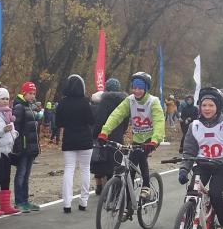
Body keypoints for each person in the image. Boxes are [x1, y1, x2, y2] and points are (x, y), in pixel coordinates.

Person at [178, 87, 223, 229]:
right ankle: (188, 228)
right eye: (204, 105)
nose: (207, 109)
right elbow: (189, 151)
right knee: (192, 192)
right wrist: (184, 169)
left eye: (211, 105)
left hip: (222, 167)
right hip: (202, 164)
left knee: (215, 194)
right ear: (199, 107)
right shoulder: (194, 126)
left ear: (218, 107)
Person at [97, 72, 164, 200]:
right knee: (131, 167)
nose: (136, 91)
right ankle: (128, 203)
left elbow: (159, 122)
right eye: (134, 88)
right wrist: (104, 132)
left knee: (140, 154)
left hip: (152, 138)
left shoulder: (153, 102)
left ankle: (146, 186)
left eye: (140, 88)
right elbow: (116, 115)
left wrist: (155, 141)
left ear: (146, 88)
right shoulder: (130, 100)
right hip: (138, 137)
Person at [57, 75, 95, 213]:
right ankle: (83, 202)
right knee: (85, 169)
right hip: (85, 139)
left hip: (69, 139)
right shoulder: (85, 102)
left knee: (69, 169)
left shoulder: (62, 103)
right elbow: (91, 120)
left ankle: (67, 203)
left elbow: (58, 123)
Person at [91, 78, 128, 196]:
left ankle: (101, 188)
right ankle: (114, 188)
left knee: (101, 161)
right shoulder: (124, 101)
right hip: (118, 136)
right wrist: (122, 131)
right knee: (116, 163)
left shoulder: (105, 100)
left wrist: (95, 133)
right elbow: (126, 120)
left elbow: (100, 119)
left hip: (104, 134)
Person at [11, 82, 42, 212]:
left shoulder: (30, 106)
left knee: (27, 175)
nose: (32, 96)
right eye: (30, 93)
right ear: (24, 93)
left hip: (31, 146)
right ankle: (19, 201)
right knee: (21, 174)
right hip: (23, 147)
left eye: (34, 94)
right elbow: (16, 128)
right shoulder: (19, 106)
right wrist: (18, 146)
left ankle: (25, 200)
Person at [0, 88, 20, 216]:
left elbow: (13, 131)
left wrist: (14, 133)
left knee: (6, 177)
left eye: (7, 98)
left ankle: (5, 205)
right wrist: (3, 131)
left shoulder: (8, 114)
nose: (5, 101)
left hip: (8, 150)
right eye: (3, 99)